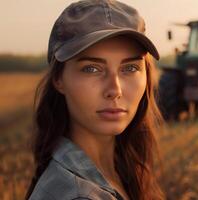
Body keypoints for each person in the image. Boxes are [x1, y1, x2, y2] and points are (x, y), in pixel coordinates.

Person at [25, 0, 164, 199]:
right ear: (58, 79)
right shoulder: (78, 195)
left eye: (130, 68)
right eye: (92, 68)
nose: (114, 90)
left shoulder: (120, 169)